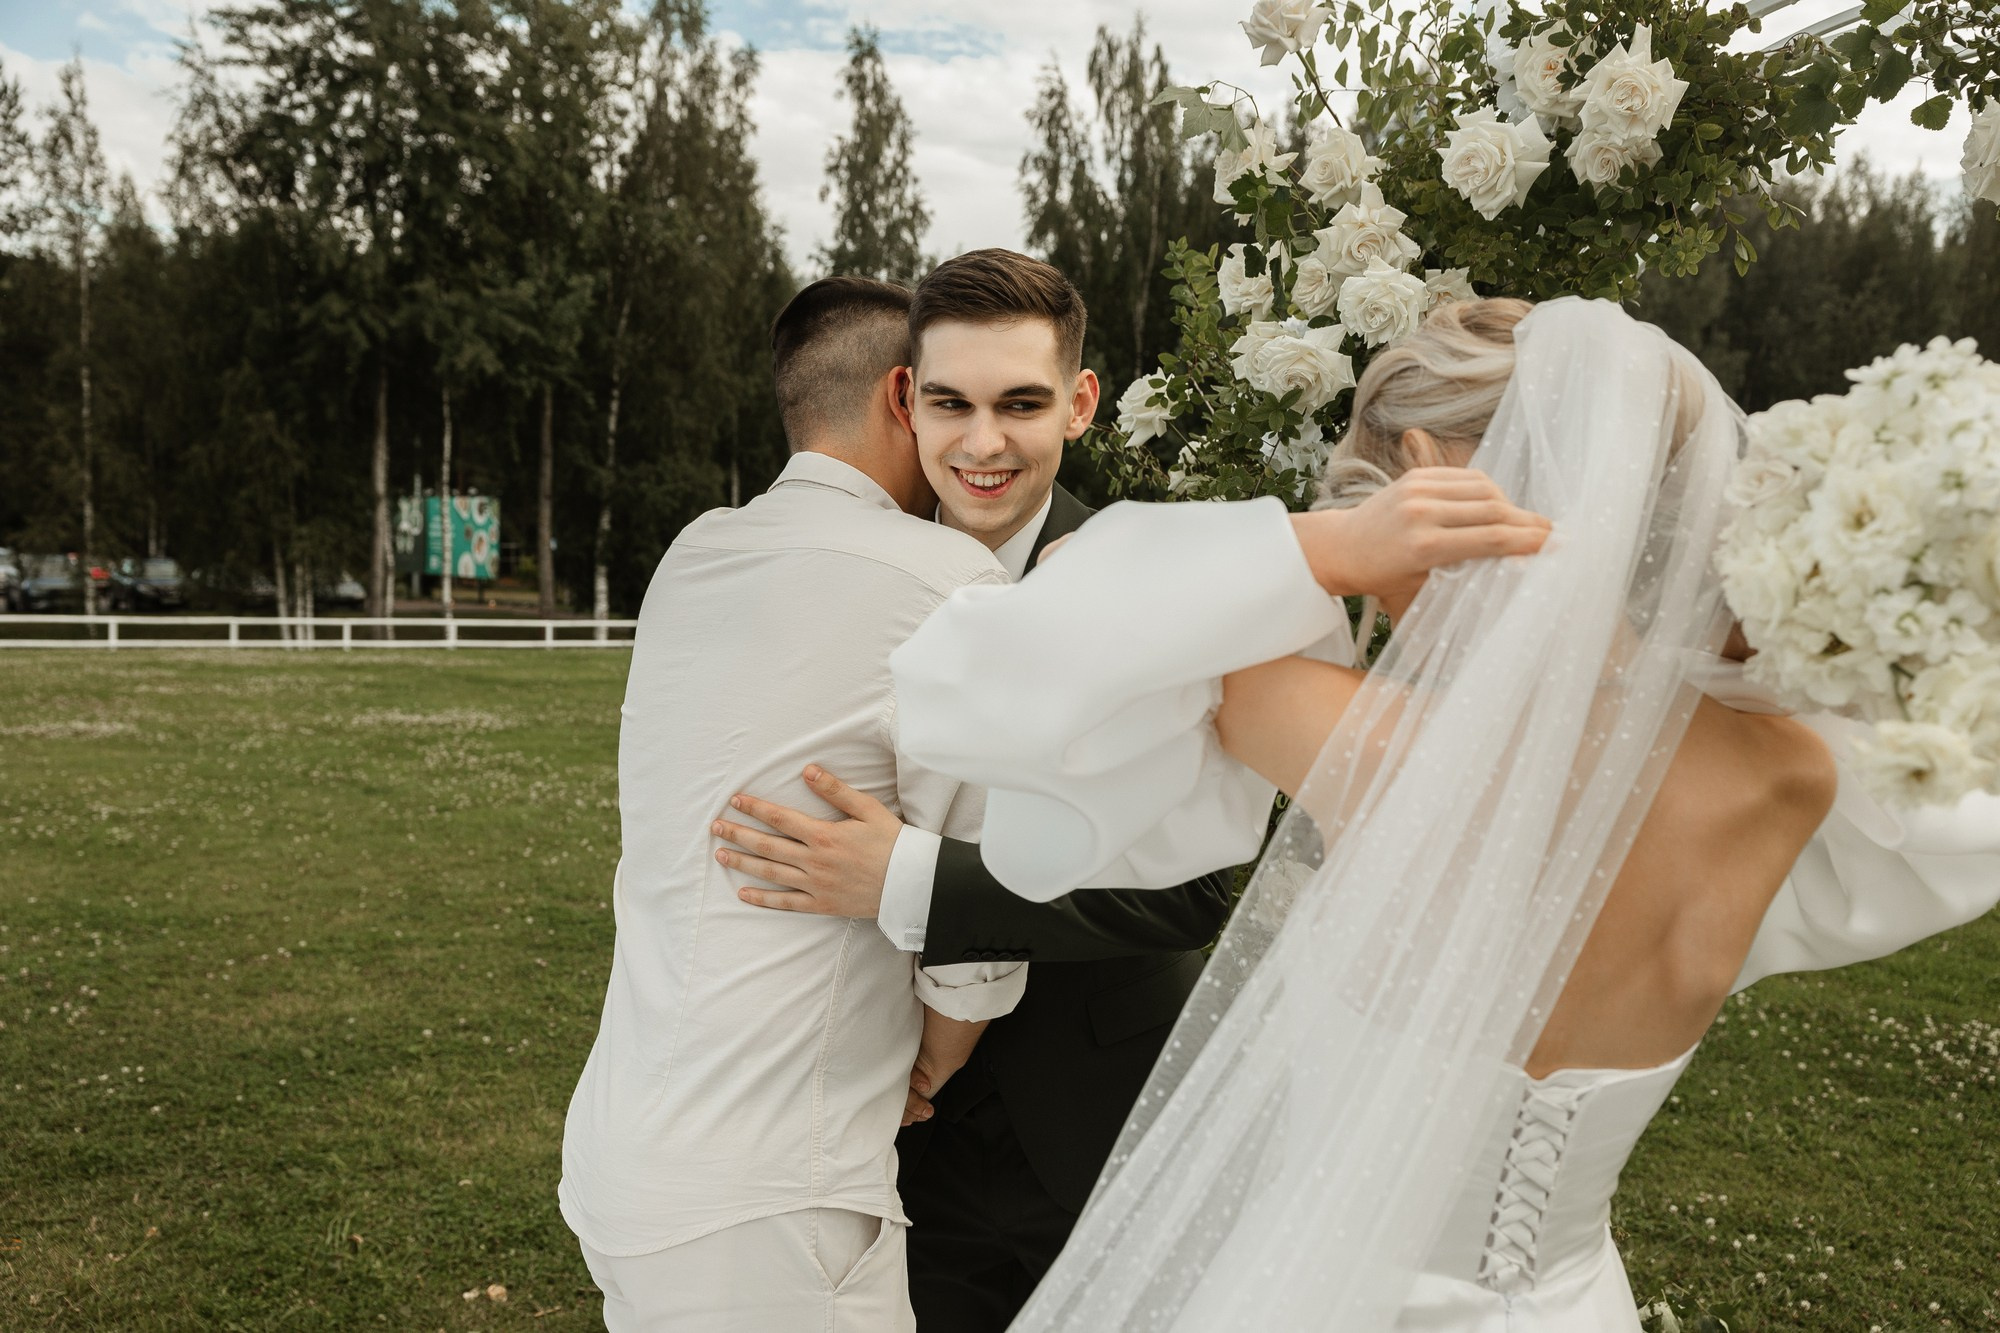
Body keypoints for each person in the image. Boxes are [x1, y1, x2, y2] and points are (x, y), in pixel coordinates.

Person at [889, 297, 2000, 1331]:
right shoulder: (1797, 772)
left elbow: (1006, 651)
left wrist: (1323, 550)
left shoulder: (1341, 732)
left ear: (1416, 477)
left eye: (1356, 501)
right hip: (1570, 1301)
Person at [707, 251, 1557, 1332]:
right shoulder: (837, 581)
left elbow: (1200, 892)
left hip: (1091, 1127)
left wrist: (911, 881)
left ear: (1078, 403)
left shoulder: (1168, 576)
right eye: (949, 403)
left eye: (1019, 404)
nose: (980, 443)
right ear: (904, 399)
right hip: (885, 1131)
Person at [557, 276, 1030, 1333]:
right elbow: (983, 899)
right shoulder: (950, 582)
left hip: (622, 1144)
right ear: (904, 396)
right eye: (952, 403)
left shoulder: (693, 554)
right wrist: (932, 1063)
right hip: (773, 1192)